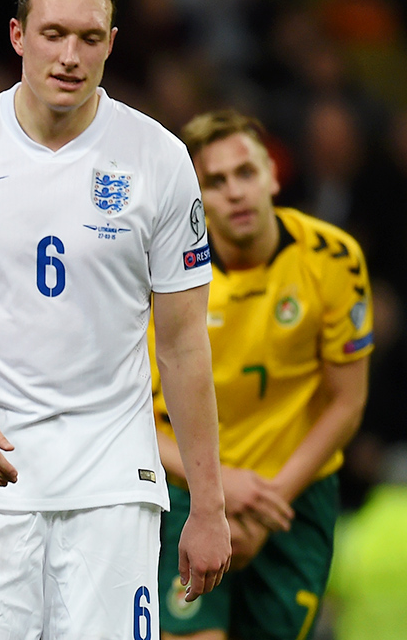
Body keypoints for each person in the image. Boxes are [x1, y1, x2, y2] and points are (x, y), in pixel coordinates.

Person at [0, 0, 232, 639]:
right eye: (53, 34)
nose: (69, 55)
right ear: (19, 35)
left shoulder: (159, 158)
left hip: (110, 484)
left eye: (89, 38)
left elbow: (184, 343)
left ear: (111, 43)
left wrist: (209, 502)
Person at [151, 110, 372, 640]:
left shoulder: (335, 259)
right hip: (186, 486)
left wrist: (263, 505)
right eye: (215, 181)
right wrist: (218, 488)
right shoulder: (161, 276)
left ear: (273, 175)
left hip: (293, 496)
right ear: (195, 196)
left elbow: (347, 403)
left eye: (246, 173)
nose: (235, 192)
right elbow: (127, 410)